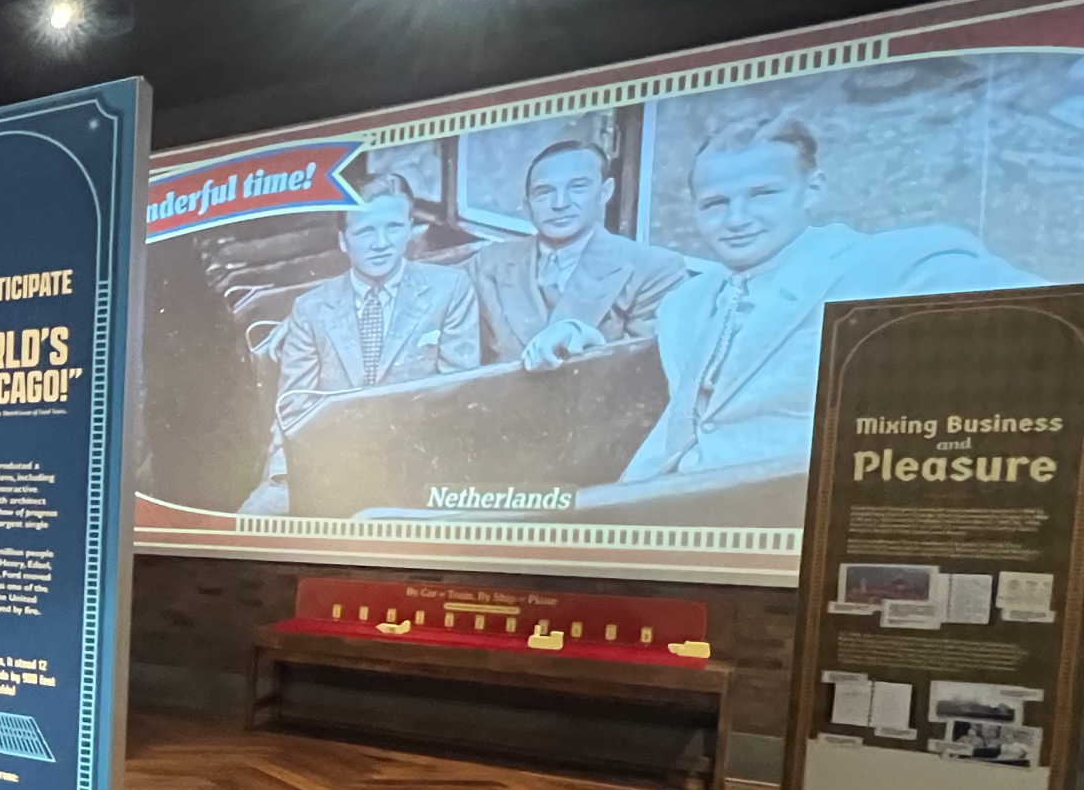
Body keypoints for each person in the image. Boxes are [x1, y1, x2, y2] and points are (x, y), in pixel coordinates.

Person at [525, 110, 1032, 481]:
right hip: (662, 512)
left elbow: (1043, 333)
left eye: (763, 195)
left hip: (803, 525)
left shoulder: (898, 266)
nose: (737, 219)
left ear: (811, 191)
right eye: (716, 203)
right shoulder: (687, 303)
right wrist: (583, 335)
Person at [241, 173, 480, 515]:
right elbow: (293, 413)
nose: (381, 243)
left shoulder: (451, 289)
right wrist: (281, 483)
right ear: (343, 241)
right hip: (329, 467)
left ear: (410, 229)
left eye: (393, 228)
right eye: (366, 231)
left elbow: (460, 397)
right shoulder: (311, 309)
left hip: (420, 471)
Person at [470, 139, 687, 366]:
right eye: (544, 193)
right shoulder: (488, 264)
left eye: (577, 187)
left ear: (605, 192)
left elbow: (650, 369)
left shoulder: (655, 269)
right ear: (527, 206)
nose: (560, 203)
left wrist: (592, 342)